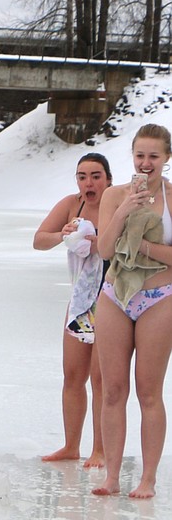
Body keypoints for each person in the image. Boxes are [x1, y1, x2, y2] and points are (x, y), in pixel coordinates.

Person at [93, 123, 172, 499]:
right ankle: (111, 475)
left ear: (166, 158)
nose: (145, 163)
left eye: (153, 156)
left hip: (160, 297)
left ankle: (148, 478)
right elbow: (105, 250)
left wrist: (144, 248)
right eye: (140, 155)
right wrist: (125, 209)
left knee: (149, 392)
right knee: (112, 390)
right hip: (115, 295)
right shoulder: (113, 195)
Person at [32, 152, 113, 466]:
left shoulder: (116, 202)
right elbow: (39, 239)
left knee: (101, 379)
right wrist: (62, 234)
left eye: (95, 176)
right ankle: (71, 446)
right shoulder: (72, 203)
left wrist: (100, 241)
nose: (88, 182)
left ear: (108, 178)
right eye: (82, 176)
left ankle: (101, 450)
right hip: (81, 300)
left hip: (111, 297)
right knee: (72, 375)